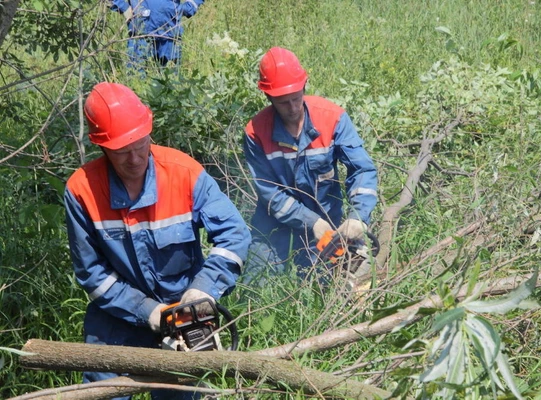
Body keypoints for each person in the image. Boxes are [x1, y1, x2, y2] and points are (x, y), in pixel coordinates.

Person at [64, 81, 251, 400]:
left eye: (140, 145)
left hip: (184, 312)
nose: (135, 159)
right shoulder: (81, 190)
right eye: (122, 152)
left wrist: (201, 292)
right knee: (102, 395)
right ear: (102, 147)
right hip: (116, 320)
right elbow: (91, 275)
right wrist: (148, 311)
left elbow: (235, 236)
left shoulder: (184, 173)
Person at [242, 47, 378, 283]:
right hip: (275, 226)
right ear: (269, 97)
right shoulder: (256, 132)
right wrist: (310, 221)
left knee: (340, 284)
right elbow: (270, 193)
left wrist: (357, 217)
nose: (293, 108)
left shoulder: (332, 118)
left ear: (304, 87)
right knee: (258, 286)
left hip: (329, 222)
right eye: (284, 103)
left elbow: (362, 170)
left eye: (296, 98)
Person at [109, 0, 204, 68]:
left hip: (169, 32)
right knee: (137, 79)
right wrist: (122, 6)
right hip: (140, 32)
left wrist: (188, 7)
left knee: (170, 82)